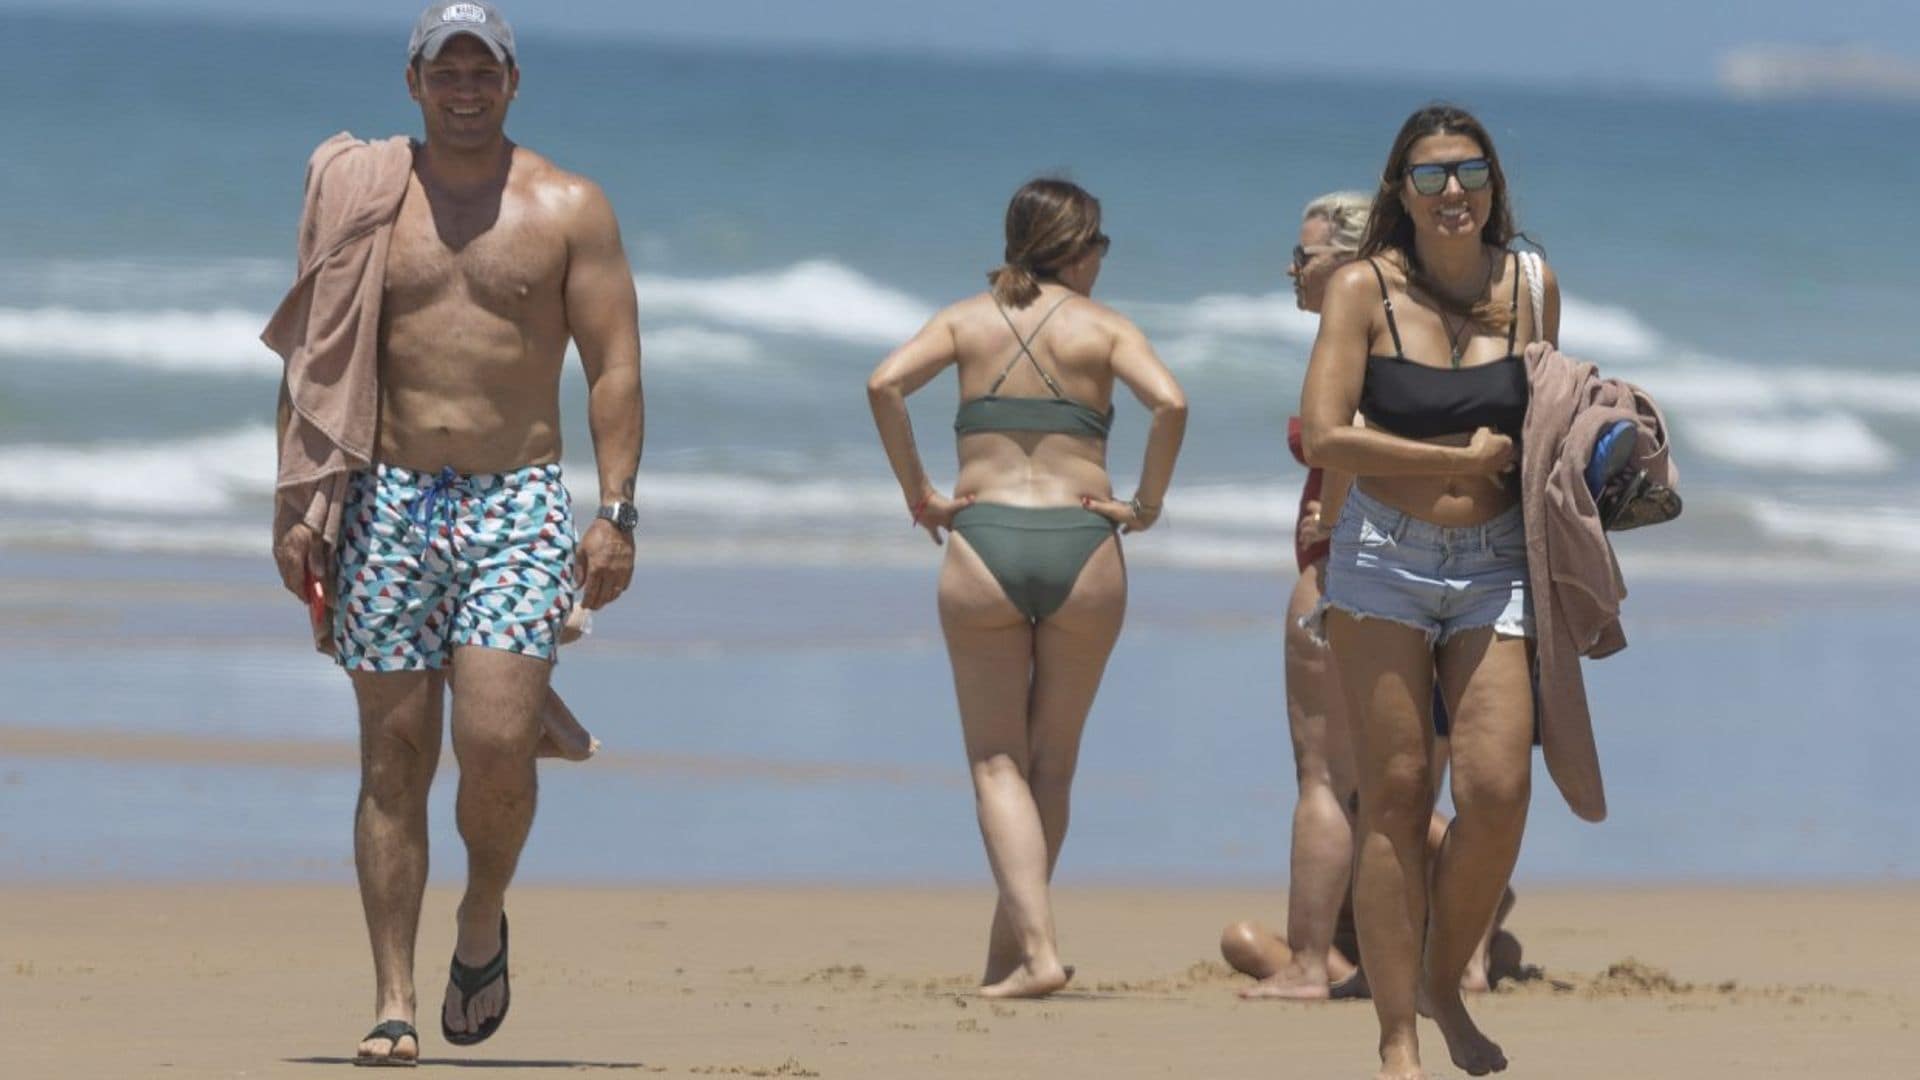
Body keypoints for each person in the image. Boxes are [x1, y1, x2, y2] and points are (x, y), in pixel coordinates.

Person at [266, 3, 644, 1065]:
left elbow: (614, 365)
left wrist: (614, 513)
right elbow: (313, 353)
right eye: (447, 69)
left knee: (491, 748)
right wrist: (299, 499)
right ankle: (392, 997)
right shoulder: (368, 201)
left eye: (485, 69)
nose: (465, 86)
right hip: (386, 500)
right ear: (414, 82)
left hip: (517, 500)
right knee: (392, 758)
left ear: (514, 83)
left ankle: (482, 914)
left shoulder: (569, 204)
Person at [867, 178, 1187, 999]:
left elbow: (884, 385)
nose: (1103, 261)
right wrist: (1145, 507)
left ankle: (1032, 955)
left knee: (997, 762)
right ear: (1078, 247)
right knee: (1052, 767)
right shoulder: (1105, 327)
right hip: (1086, 547)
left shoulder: (965, 320)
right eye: (1101, 246)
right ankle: (1014, 957)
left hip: (983, 546)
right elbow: (1171, 403)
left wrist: (922, 495)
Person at [1300, 104, 1557, 1079]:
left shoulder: (1532, 285)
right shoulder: (1363, 289)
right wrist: (1446, 452)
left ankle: (1447, 979)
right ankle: (1399, 1035)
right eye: (1431, 174)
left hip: (1495, 561)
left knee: (1496, 791)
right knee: (1397, 795)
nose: (1454, 192)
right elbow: (1326, 436)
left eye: (1471, 172)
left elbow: (1541, 417)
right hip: (1384, 557)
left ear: (1495, 183)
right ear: (1398, 191)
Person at [1222, 191, 1516, 1002]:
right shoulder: (1429, 331)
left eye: (1307, 253)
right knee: (1406, 776)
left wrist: (1333, 517)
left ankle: (1314, 962)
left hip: (1362, 572)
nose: (1294, 267)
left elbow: (1348, 425)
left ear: (1350, 260)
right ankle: (1470, 945)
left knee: (1331, 777)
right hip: (1447, 571)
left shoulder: (1360, 332)